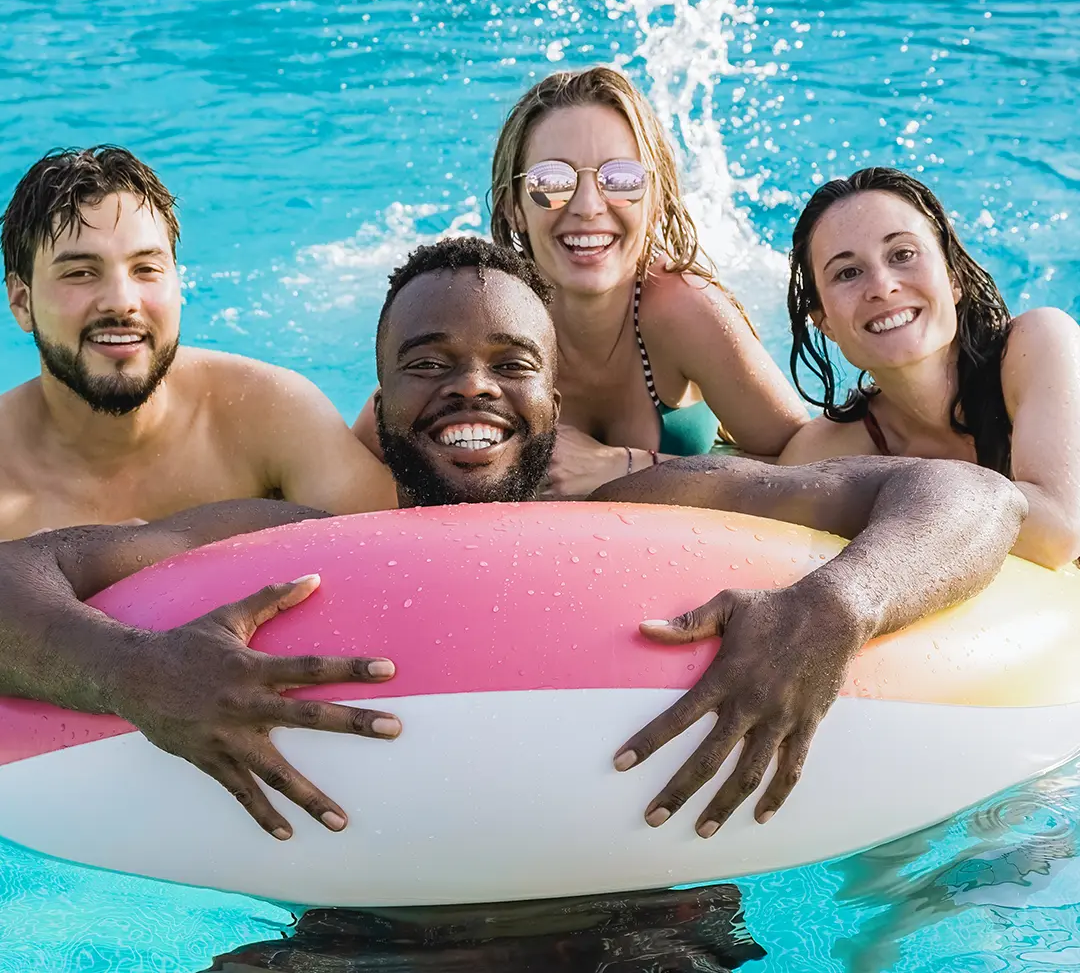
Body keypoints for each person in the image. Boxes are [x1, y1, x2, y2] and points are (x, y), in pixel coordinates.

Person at [0, 236, 1024, 844]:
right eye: (428, 361)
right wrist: (135, 672)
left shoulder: (659, 512)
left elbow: (963, 496)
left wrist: (833, 607)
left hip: (646, 914)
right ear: (383, 399)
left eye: (509, 361)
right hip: (361, 918)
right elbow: (18, 573)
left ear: (555, 392)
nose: (472, 385)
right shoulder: (293, 547)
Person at [353, 67, 809, 494]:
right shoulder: (488, 310)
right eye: (551, 181)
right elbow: (368, 453)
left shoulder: (682, 309)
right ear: (514, 204)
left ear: (655, 198)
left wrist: (623, 467)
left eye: (621, 178)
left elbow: (809, 461)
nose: (588, 205)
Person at [0, 145, 396, 538]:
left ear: (178, 283)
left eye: (146, 269)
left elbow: (401, 554)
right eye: (81, 273)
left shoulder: (267, 415)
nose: (122, 302)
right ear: (22, 301)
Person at [778, 166, 1080, 569]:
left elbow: (1058, 534)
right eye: (848, 272)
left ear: (953, 278)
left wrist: (878, 488)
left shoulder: (1036, 347)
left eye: (903, 254)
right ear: (825, 322)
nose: (883, 286)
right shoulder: (824, 452)